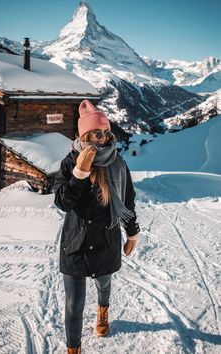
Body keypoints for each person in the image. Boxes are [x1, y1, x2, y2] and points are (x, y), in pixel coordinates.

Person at [54, 100, 140, 354]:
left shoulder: (118, 163)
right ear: (84, 135)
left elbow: (127, 200)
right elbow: (62, 202)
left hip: (105, 240)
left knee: (104, 285)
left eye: (106, 133)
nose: (103, 138)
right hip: (76, 242)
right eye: (97, 133)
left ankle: (103, 312)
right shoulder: (70, 163)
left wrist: (132, 231)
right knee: (74, 305)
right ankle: (74, 349)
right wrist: (80, 173)